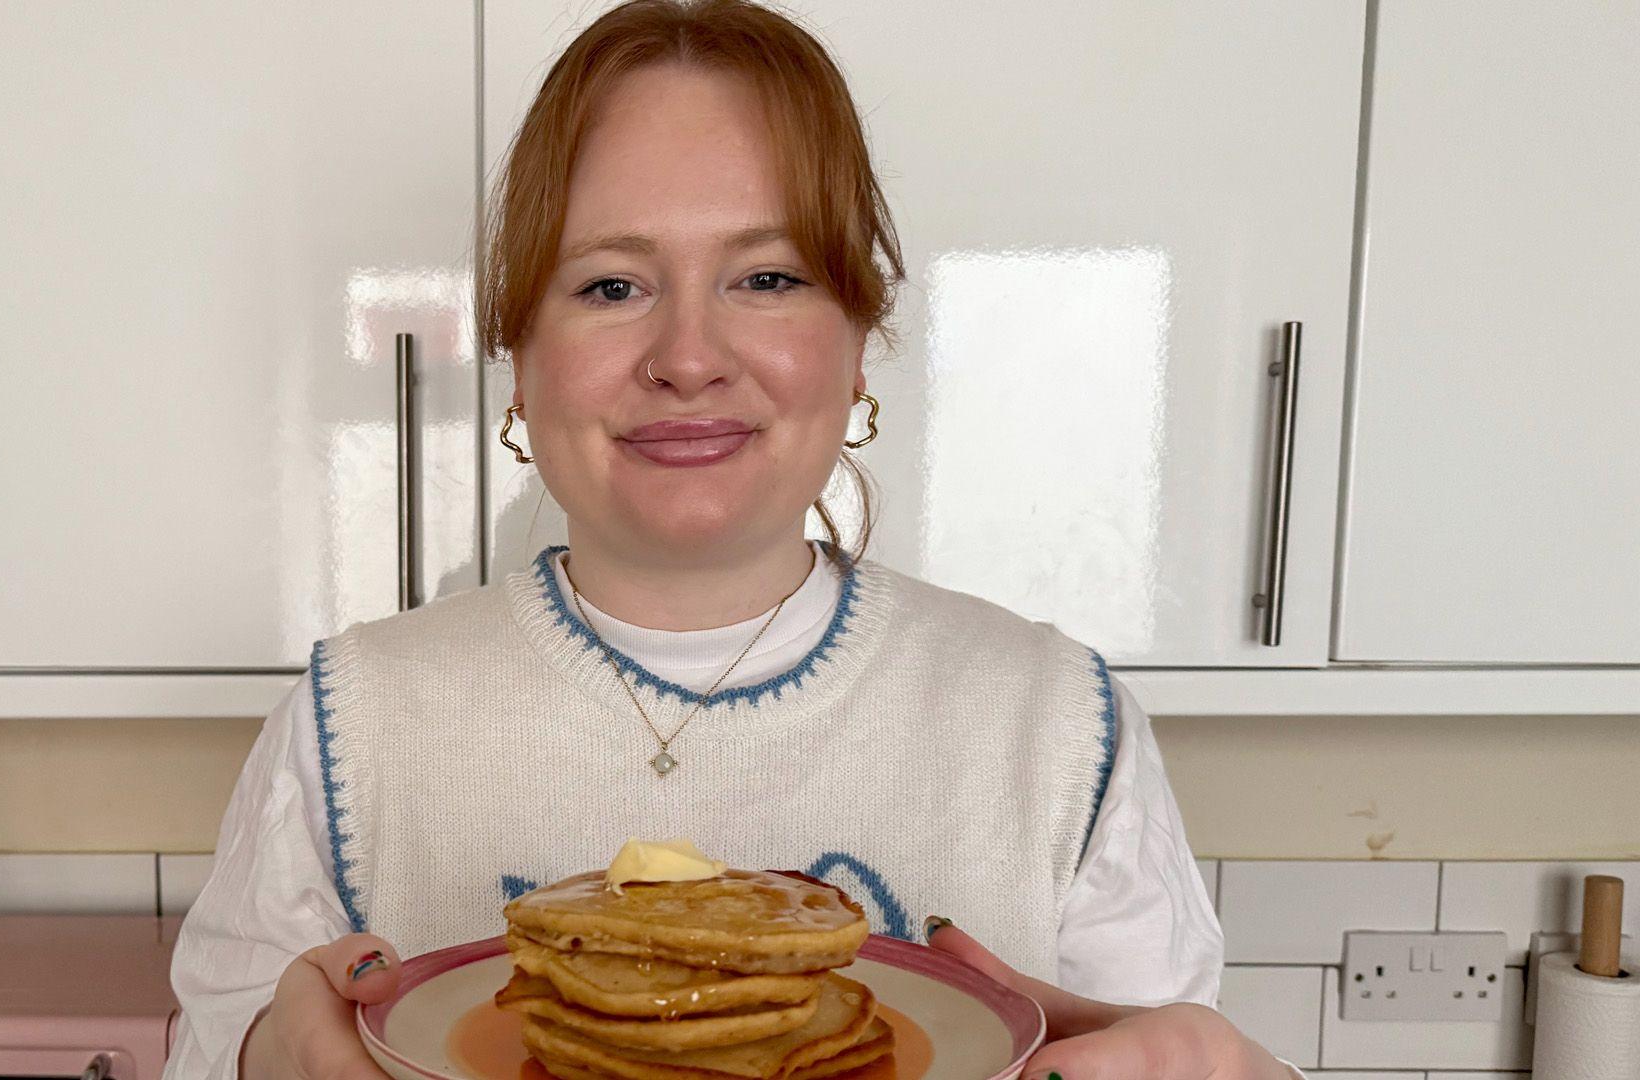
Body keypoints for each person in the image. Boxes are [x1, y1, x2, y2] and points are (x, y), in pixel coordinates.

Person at [166, 2, 1303, 1077]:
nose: (689, 355)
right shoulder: (351, 722)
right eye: (611, 285)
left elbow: (1173, 1054)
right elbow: (215, 1052)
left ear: (858, 345)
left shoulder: (1059, 728)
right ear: (520, 358)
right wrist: (263, 1059)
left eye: (767, 277)